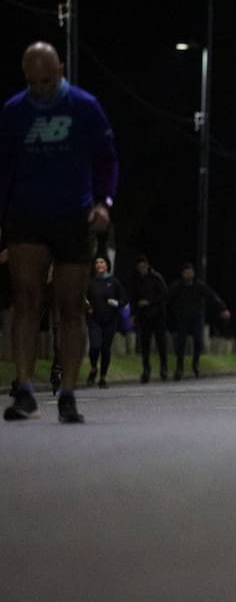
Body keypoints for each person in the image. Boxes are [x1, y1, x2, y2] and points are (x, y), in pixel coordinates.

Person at [1, 42, 118, 424]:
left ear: (61, 70)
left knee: (70, 306)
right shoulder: (14, 112)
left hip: (73, 215)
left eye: (48, 81)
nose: (41, 90)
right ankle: (23, 389)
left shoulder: (84, 106)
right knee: (26, 299)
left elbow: (107, 160)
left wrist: (104, 204)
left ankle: (67, 392)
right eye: (33, 83)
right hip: (26, 214)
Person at [164, 262, 231, 380]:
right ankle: (179, 368)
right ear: (182, 274)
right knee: (180, 343)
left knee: (199, 342)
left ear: (193, 273)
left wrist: (223, 309)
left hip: (196, 319)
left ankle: (195, 364)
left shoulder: (199, 286)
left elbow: (212, 296)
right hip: (182, 319)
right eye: (186, 272)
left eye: (190, 272)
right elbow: (166, 299)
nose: (188, 275)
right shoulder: (176, 287)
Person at [85, 255, 127, 389]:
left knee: (105, 348)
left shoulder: (114, 282)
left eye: (101, 262)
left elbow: (124, 300)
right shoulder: (90, 282)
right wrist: (88, 306)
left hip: (110, 320)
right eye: (97, 262)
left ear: (107, 265)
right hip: (94, 319)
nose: (99, 264)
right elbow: (83, 298)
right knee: (95, 345)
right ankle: (93, 368)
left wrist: (116, 303)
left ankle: (102, 377)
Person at [130, 253, 169, 383]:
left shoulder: (156, 278)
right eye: (139, 267)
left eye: (143, 266)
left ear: (147, 265)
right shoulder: (135, 281)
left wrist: (149, 301)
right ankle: (146, 369)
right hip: (144, 316)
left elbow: (164, 294)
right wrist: (133, 314)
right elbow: (133, 298)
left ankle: (164, 367)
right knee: (145, 344)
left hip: (158, 315)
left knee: (161, 343)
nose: (142, 269)